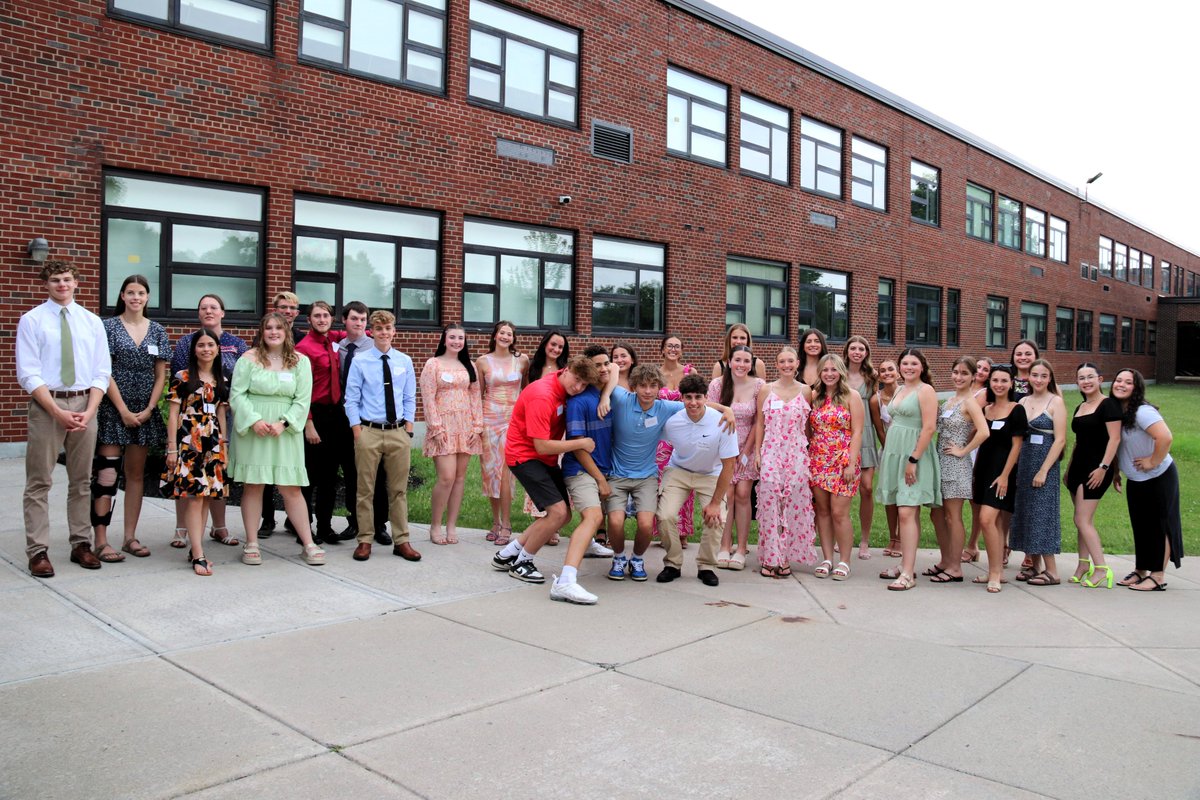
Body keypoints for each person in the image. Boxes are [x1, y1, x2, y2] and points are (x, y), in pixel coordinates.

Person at [17, 261, 112, 577]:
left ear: (76, 283)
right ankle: (38, 550)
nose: (61, 285)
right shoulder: (31, 321)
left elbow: (101, 371)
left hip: (86, 403)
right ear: (47, 284)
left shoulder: (91, 322)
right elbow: (28, 373)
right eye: (56, 280)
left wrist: (90, 409)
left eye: (67, 279)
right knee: (39, 481)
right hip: (48, 405)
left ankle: (81, 544)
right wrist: (57, 411)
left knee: (82, 480)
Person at [491, 355, 603, 585]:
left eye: (584, 384)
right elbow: (540, 445)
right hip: (525, 457)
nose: (579, 387)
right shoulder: (543, 394)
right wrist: (581, 443)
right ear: (567, 369)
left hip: (545, 459)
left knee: (563, 515)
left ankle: (507, 554)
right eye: (577, 379)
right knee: (558, 513)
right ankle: (522, 562)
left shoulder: (562, 388)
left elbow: (609, 370)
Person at [228, 313, 325, 566]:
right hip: (254, 431)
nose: (273, 332)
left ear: (286, 331)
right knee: (254, 485)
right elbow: (237, 395)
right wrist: (254, 421)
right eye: (268, 328)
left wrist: (285, 423)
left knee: (291, 488)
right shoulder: (247, 359)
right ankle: (251, 543)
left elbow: (303, 399)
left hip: (285, 432)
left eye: (278, 328)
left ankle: (308, 543)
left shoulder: (300, 361)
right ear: (262, 331)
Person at [92, 274, 169, 562]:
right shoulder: (107, 327)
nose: (136, 297)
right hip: (114, 408)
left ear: (147, 297)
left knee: (135, 476)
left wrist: (150, 409)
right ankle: (100, 540)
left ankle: (129, 537)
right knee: (107, 476)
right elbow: (104, 370)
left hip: (144, 411)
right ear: (122, 296)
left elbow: (161, 374)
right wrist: (123, 409)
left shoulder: (158, 330)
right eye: (130, 292)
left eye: (141, 293)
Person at [537, 345, 616, 603]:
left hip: (604, 468)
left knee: (600, 518)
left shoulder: (607, 393)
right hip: (582, 469)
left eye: (606, 363)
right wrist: (600, 479)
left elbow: (615, 370)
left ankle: (515, 552)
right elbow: (580, 446)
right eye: (598, 365)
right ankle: (566, 580)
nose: (604, 368)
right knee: (592, 516)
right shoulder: (579, 402)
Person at [169, 294, 248, 549]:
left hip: (220, 419)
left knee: (215, 478)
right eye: (203, 307)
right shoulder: (185, 343)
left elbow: (244, 377)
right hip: (189, 426)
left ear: (223, 312)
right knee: (189, 482)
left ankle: (219, 526)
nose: (209, 311)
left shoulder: (237, 344)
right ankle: (183, 528)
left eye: (214, 307)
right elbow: (179, 394)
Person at [343, 310, 421, 562]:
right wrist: (357, 431)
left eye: (388, 328)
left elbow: (410, 396)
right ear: (372, 332)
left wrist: (408, 428)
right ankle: (365, 539)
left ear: (394, 331)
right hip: (369, 432)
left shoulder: (404, 361)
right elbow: (351, 398)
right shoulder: (361, 360)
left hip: (397, 432)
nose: (384, 333)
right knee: (365, 489)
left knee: (398, 491)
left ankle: (402, 540)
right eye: (378, 329)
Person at [657, 373, 739, 586]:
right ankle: (672, 563)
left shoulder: (722, 421)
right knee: (665, 516)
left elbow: (729, 465)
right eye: (688, 397)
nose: (693, 403)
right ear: (681, 398)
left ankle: (706, 566)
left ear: (705, 397)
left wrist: (714, 503)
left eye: (698, 397)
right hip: (679, 471)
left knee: (716, 518)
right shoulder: (672, 421)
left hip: (711, 473)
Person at [162, 329, 229, 576]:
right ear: (194, 349)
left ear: (218, 348)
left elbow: (221, 414)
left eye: (210, 344)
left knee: (206, 496)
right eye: (201, 345)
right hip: (189, 442)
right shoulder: (183, 376)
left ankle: (196, 548)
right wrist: (171, 448)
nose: (206, 349)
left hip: (212, 444)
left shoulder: (220, 379)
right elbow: (172, 414)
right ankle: (198, 555)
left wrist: (225, 447)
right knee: (195, 497)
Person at [1111, 369, 1184, 591]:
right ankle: (1141, 570)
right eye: (1118, 380)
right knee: (1141, 526)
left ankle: (1158, 575)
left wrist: (1153, 461)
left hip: (1159, 476)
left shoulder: (1142, 411)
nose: (1121, 384)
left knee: (1159, 526)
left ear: (1136, 388)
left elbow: (1165, 437)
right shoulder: (1118, 412)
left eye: (1128, 382)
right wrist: (1117, 472)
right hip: (1137, 479)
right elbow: (1118, 445)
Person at [875, 349, 941, 590]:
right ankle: (905, 565)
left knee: (906, 511)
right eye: (905, 363)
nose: (908, 367)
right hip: (894, 452)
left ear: (922, 367)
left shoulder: (926, 391)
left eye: (914, 363)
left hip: (914, 454)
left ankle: (908, 574)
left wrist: (913, 459)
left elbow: (929, 427)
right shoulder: (900, 389)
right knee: (905, 511)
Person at [753, 346, 816, 577]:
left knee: (792, 503)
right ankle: (770, 557)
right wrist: (759, 453)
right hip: (771, 451)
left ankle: (786, 556)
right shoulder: (766, 390)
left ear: (797, 363)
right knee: (770, 502)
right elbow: (759, 423)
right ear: (776, 364)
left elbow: (808, 427)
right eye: (782, 362)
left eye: (791, 361)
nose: (787, 365)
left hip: (797, 454)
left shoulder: (806, 391)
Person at [926, 357, 988, 583]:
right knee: (936, 513)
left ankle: (955, 567)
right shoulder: (950, 400)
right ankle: (945, 560)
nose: (958, 377)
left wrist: (963, 450)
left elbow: (983, 431)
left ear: (973, 377)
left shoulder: (970, 402)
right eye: (955, 372)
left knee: (953, 516)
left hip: (956, 464)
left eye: (964, 373)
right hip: (940, 461)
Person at [421, 323, 484, 545]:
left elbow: (475, 397)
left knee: (459, 478)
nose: (457, 342)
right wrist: (435, 428)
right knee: (446, 477)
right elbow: (428, 398)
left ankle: (451, 526)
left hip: (465, 427)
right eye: (453, 337)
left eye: (460, 338)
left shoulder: (469, 366)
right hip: (444, 428)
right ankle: (435, 525)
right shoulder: (433, 364)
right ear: (444, 339)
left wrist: (477, 427)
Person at [335, 301, 391, 546]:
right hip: (345, 418)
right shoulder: (341, 347)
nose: (358, 323)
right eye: (354, 319)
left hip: (369, 422)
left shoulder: (375, 348)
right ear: (345, 321)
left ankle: (379, 525)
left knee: (377, 474)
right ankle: (355, 521)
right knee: (351, 472)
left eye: (362, 319)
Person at [294, 301, 348, 546]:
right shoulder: (304, 348)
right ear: (309, 320)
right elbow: (299, 389)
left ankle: (325, 526)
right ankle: (303, 529)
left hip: (336, 414)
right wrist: (308, 423)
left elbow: (359, 331)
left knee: (329, 477)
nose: (322, 319)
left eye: (326, 315)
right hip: (313, 414)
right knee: (310, 476)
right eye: (317, 316)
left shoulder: (335, 339)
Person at [1063, 363, 1122, 588]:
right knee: (1081, 519)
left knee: (1082, 519)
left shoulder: (1109, 405)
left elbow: (1114, 439)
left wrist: (1104, 468)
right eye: (1081, 378)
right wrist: (1068, 470)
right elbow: (1079, 442)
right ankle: (1082, 564)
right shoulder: (1081, 406)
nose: (1086, 381)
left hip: (1097, 470)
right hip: (1078, 468)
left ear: (1100, 378)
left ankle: (1101, 569)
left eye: (1090, 377)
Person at [1010, 359, 1067, 586]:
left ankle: (1052, 571)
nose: (1039, 380)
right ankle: (1035, 566)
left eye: (1044, 376)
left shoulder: (1056, 402)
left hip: (1045, 464)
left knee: (1042, 513)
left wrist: (1044, 469)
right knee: (1026, 512)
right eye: (1035, 375)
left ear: (1050, 378)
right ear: (1028, 378)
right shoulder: (1023, 401)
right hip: (1024, 462)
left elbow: (1060, 439)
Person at [971, 365, 1027, 592]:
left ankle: (995, 572)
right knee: (988, 522)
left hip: (1002, 473)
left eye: (1004, 380)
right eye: (995, 380)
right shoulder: (986, 409)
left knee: (986, 519)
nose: (999, 384)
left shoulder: (1017, 410)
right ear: (989, 383)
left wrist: (1005, 476)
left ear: (1011, 383)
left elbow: (1017, 447)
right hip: (983, 470)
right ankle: (995, 570)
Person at [807, 354, 862, 581]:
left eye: (833, 369)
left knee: (839, 512)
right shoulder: (814, 396)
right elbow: (807, 428)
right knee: (822, 512)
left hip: (842, 461)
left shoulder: (852, 396)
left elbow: (858, 431)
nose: (829, 374)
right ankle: (827, 557)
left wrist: (851, 463)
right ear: (820, 372)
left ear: (840, 372)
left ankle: (845, 561)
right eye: (825, 370)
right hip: (818, 460)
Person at [708, 346, 763, 571]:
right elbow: (708, 408)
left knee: (742, 495)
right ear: (729, 361)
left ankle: (741, 548)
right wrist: (724, 408)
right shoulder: (717, 384)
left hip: (746, 448)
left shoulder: (759, 386)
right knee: (727, 495)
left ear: (751, 364)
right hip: (722, 447)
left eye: (746, 361)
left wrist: (746, 452)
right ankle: (724, 545)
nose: (741, 365)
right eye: (737, 360)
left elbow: (758, 421)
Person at [477, 320, 528, 546]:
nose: (506, 337)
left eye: (509, 334)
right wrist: (477, 425)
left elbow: (526, 390)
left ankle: (507, 524)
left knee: (506, 473)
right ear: (495, 335)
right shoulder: (482, 362)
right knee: (490, 472)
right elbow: (478, 394)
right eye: (502, 333)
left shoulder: (522, 360)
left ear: (513, 337)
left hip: (513, 421)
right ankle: (495, 522)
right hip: (489, 420)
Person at [259, 291, 303, 538]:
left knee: (292, 474)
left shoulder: (303, 341)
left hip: (292, 417)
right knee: (263, 473)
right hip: (265, 418)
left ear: (297, 313)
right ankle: (267, 519)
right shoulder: (264, 340)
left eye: (291, 308)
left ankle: (293, 520)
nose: (287, 311)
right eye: (282, 307)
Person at [522, 329, 569, 526]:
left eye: (560, 346)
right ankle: (539, 517)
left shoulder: (565, 370)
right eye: (553, 344)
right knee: (537, 472)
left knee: (555, 473)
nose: (556, 349)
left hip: (559, 431)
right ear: (545, 344)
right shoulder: (533, 368)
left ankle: (555, 524)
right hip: (537, 429)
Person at [654, 334, 695, 548]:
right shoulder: (655, 374)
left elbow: (698, 401)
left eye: (677, 346)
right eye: (669, 346)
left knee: (683, 482)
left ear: (681, 351)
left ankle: (682, 531)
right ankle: (664, 530)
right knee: (661, 483)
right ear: (662, 349)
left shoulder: (689, 372)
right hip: (660, 436)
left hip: (684, 435)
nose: (673, 349)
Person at [844, 335, 878, 560]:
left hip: (866, 433)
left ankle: (864, 540)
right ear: (846, 351)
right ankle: (842, 535)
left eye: (861, 349)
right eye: (853, 348)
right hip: (843, 434)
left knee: (866, 488)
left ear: (866, 353)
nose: (857, 352)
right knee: (842, 491)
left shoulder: (872, 377)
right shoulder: (838, 373)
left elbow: (877, 408)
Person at [962, 356, 994, 562]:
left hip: (974, 447)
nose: (981, 371)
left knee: (975, 499)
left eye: (985, 369)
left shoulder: (983, 394)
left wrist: (961, 441)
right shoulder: (964, 391)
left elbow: (975, 423)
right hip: (960, 446)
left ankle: (973, 544)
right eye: (979, 367)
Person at [873, 358, 901, 557]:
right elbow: (879, 430)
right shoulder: (876, 399)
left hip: (908, 450)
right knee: (890, 496)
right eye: (883, 370)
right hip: (888, 450)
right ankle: (893, 537)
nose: (887, 373)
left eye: (890, 369)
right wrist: (888, 449)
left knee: (905, 496)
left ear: (898, 372)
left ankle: (902, 539)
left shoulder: (908, 393)